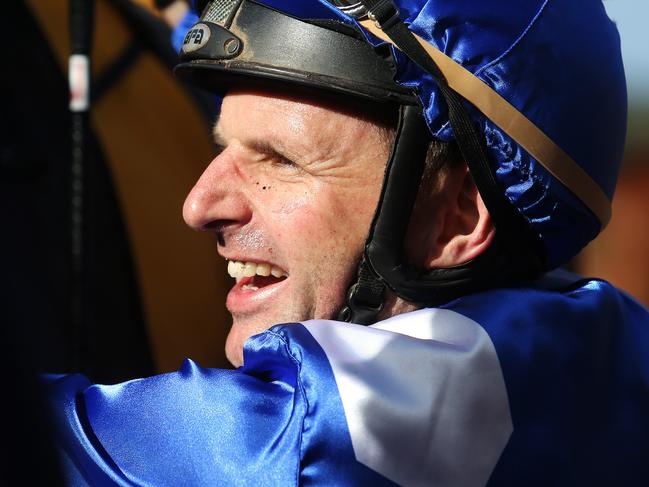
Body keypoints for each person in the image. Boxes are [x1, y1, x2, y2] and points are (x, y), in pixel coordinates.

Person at [45, 0, 649, 485]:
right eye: (221, 147)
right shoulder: (615, 347)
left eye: (279, 160)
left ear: (460, 217)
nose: (199, 206)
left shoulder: (301, 432)